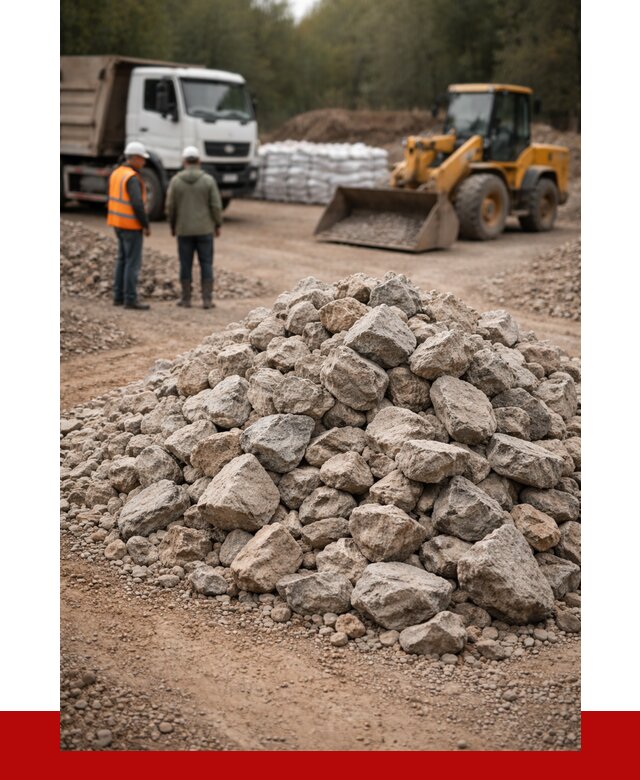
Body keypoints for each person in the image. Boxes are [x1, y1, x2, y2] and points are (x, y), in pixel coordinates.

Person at [165, 145, 222, 309]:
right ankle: (207, 300)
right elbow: (216, 206)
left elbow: (170, 206)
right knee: (206, 263)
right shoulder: (208, 180)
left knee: (185, 264)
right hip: (205, 230)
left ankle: (186, 299)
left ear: (184, 161)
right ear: (199, 161)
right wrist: (217, 224)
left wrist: (172, 225)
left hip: (184, 230)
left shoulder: (176, 181)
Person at [107, 141, 151, 310]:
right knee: (132, 263)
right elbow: (137, 205)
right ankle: (130, 299)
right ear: (134, 158)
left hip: (117, 223)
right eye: (142, 159)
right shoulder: (131, 177)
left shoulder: (117, 173)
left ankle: (118, 296)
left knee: (122, 260)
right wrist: (145, 225)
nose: (144, 162)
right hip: (131, 225)